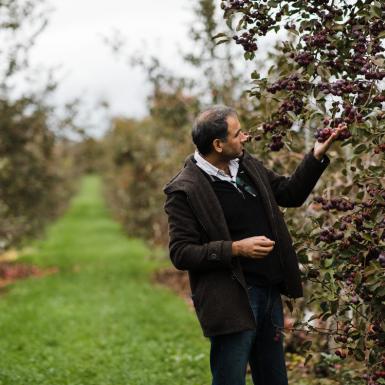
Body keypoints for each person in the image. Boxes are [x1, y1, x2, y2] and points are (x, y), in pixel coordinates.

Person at [163, 105, 345, 385]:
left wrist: (316, 154)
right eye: (238, 134)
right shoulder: (185, 189)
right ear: (218, 144)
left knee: (274, 379)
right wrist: (235, 248)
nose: (245, 137)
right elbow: (181, 253)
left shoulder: (246, 166)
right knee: (230, 380)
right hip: (231, 299)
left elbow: (289, 193)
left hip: (268, 292)